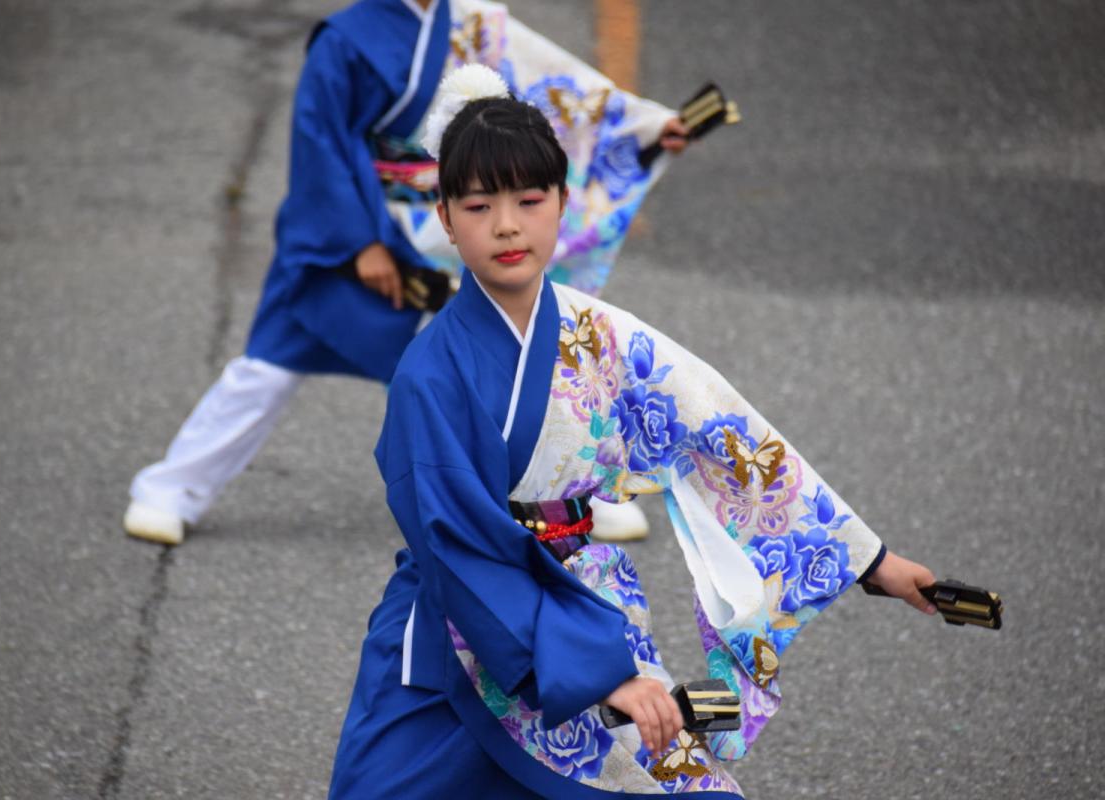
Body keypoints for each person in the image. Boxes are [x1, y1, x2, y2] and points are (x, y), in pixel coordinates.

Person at [327, 66, 938, 798]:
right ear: (446, 216)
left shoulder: (597, 334)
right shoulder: (432, 374)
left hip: (585, 611)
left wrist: (868, 561)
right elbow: (458, 545)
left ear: (563, 203)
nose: (509, 225)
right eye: (481, 205)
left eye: (530, 199)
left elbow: (722, 433)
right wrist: (599, 673)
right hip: (466, 641)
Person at [124, 0, 692, 546]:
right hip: (348, 231)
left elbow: (555, 88)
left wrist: (642, 128)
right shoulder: (344, 40)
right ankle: (171, 489)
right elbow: (317, 143)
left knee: (494, 371)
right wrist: (362, 244)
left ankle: (576, 497)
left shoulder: (465, 21)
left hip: (436, 231)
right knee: (269, 367)